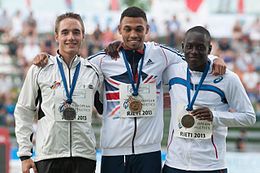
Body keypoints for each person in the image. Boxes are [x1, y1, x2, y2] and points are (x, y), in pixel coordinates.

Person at [32, 7, 226, 173]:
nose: (133, 34)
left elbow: (192, 57)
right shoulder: (102, 60)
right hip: (113, 151)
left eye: (139, 29)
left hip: (149, 151)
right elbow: (71, 69)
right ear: (119, 30)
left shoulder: (161, 54)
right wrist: (47, 59)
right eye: (128, 29)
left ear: (147, 30)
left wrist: (214, 58)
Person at [14, 12, 103, 173]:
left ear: (83, 36)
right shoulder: (40, 68)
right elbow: (24, 110)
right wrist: (25, 154)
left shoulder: (93, 72)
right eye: (65, 32)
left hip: (84, 157)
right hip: (49, 157)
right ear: (56, 36)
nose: (71, 37)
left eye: (76, 32)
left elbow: (106, 110)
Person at [162, 26, 256, 173]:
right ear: (182, 47)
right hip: (175, 164)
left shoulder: (228, 79)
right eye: (189, 47)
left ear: (209, 49)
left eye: (200, 47)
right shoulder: (172, 71)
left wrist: (215, 117)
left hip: (211, 166)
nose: (194, 52)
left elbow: (249, 117)